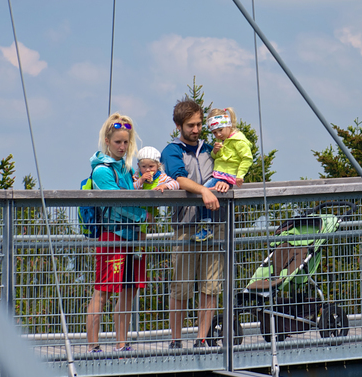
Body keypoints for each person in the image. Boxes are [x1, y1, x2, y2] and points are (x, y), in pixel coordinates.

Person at [161, 98, 222, 348]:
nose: (196, 130)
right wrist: (205, 192)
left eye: (199, 124)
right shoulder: (172, 151)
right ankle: (176, 340)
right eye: (190, 126)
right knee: (182, 286)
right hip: (186, 226)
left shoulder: (210, 148)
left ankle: (202, 338)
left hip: (215, 223)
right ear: (179, 125)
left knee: (211, 285)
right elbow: (179, 179)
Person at [85, 113, 147, 353]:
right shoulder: (102, 171)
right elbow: (121, 204)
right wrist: (143, 214)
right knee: (103, 291)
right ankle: (93, 345)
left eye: (126, 142)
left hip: (131, 238)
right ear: (107, 141)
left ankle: (122, 343)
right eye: (118, 142)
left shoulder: (126, 168)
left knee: (128, 290)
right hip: (112, 237)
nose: (122, 147)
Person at [193, 107, 253, 242]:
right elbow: (216, 158)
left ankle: (206, 226)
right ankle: (206, 224)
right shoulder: (223, 140)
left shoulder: (239, 141)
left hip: (228, 177)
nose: (218, 134)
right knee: (203, 193)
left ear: (228, 125)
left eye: (220, 130)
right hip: (219, 175)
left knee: (204, 192)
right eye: (214, 132)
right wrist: (215, 151)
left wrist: (240, 175)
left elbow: (247, 158)